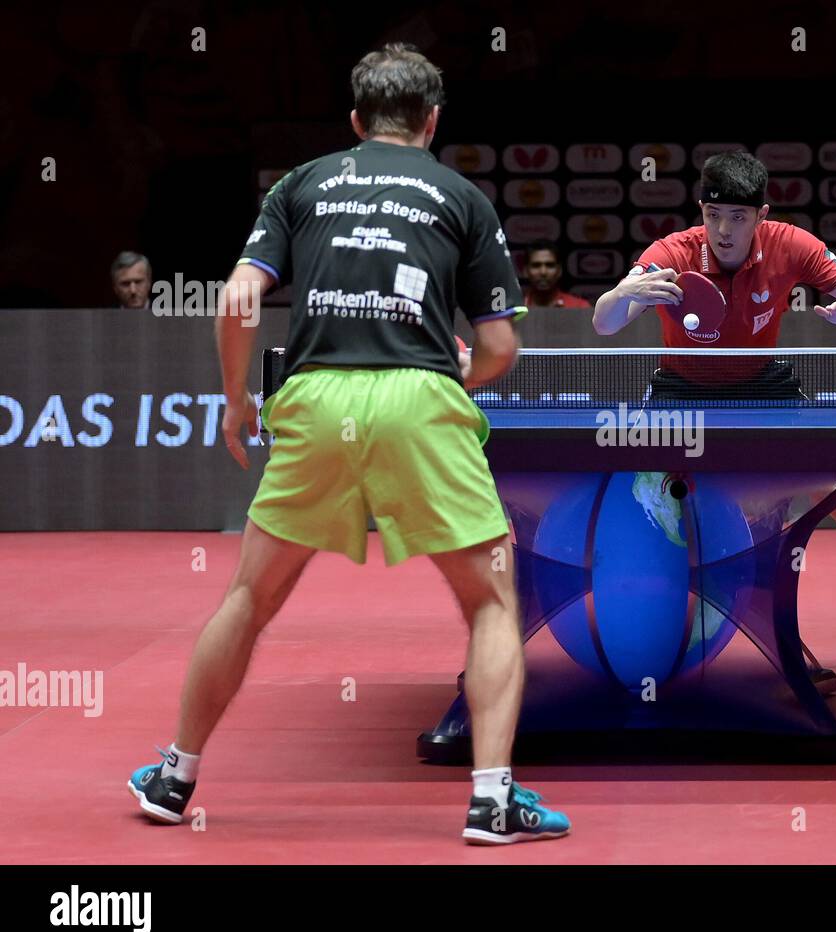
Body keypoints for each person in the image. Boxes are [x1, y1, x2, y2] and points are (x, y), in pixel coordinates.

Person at [128, 43, 570, 846]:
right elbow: (501, 348)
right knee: (491, 601)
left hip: (316, 397)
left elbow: (237, 296)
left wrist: (235, 402)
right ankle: (493, 801)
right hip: (420, 398)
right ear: (432, 121)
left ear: (356, 120)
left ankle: (175, 776)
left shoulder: (302, 182)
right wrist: (448, 388)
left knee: (249, 597)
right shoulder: (461, 195)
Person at [592, 150, 836, 667]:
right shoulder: (672, 252)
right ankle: (673, 637)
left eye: (738, 218)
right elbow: (604, 324)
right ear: (702, 209)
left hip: (762, 387)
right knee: (670, 516)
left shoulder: (789, 245)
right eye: (713, 214)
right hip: (681, 392)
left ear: (761, 216)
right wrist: (622, 294)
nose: (723, 229)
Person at [521, 239, 590, 308]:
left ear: (559, 270)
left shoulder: (579, 306)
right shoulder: (514, 310)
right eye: (536, 265)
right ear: (525, 271)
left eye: (550, 265)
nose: (543, 272)